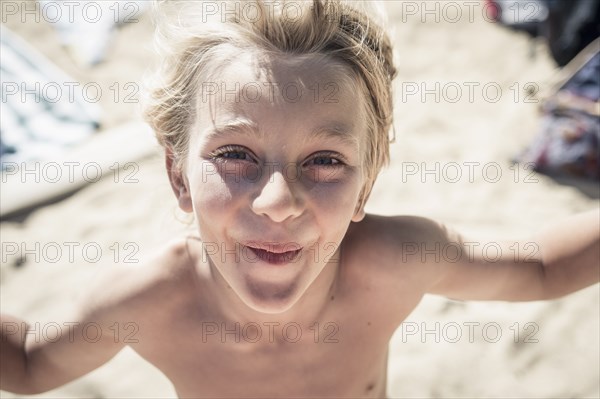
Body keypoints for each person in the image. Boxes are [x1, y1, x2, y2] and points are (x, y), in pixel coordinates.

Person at [1, 1, 598, 397]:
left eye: (324, 161)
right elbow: (28, 361)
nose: (278, 201)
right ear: (177, 176)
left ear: (366, 183)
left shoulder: (390, 260)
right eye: (236, 155)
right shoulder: (147, 297)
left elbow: (542, 268)